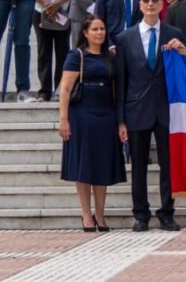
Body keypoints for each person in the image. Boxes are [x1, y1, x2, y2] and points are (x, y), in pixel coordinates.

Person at [114, 0, 185, 231]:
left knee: (169, 165)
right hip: (136, 110)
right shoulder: (125, 38)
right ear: (140, 5)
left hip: (166, 110)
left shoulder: (174, 34)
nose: (151, 3)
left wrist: (182, 50)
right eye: (147, 0)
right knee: (139, 166)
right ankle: (140, 214)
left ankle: (166, 212)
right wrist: (120, 119)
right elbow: (121, 81)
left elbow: (184, 71)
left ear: (161, 4)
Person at [58, 15, 126, 232]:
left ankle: (100, 214)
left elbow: (117, 89)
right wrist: (63, 119)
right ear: (85, 33)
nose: (99, 33)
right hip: (82, 115)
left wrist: (120, 121)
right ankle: (86, 215)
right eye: (95, 29)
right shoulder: (76, 55)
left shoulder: (111, 57)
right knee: (83, 165)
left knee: (102, 165)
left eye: (102, 29)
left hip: (106, 114)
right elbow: (66, 89)